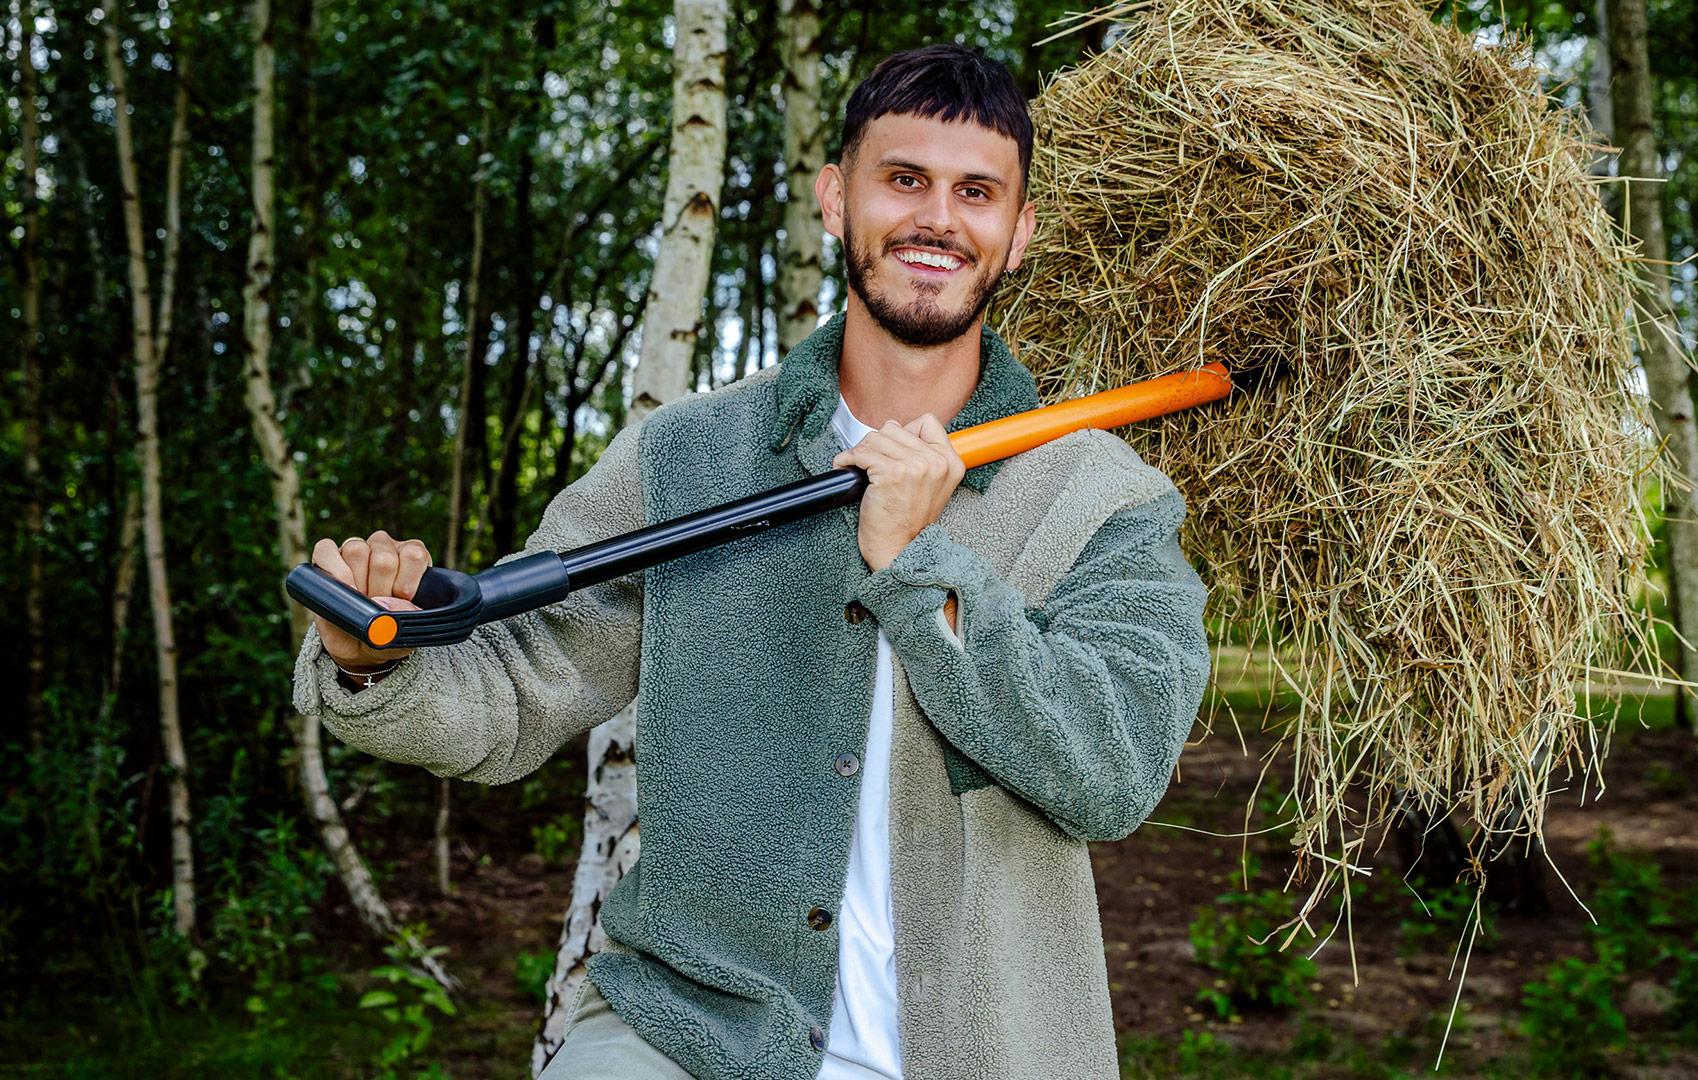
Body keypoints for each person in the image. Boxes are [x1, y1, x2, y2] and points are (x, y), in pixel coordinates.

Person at [292, 44, 1210, 1080]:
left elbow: (1112, 772)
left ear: (1020, 230)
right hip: (696, 1032)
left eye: (977, 192)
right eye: (904, 179)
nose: (937, 220)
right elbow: (514, 686)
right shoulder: (687, 457)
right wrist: (376, 657)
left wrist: (918, 563)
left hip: (987, 1053)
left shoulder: (1104, 496)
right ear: (834, 198)